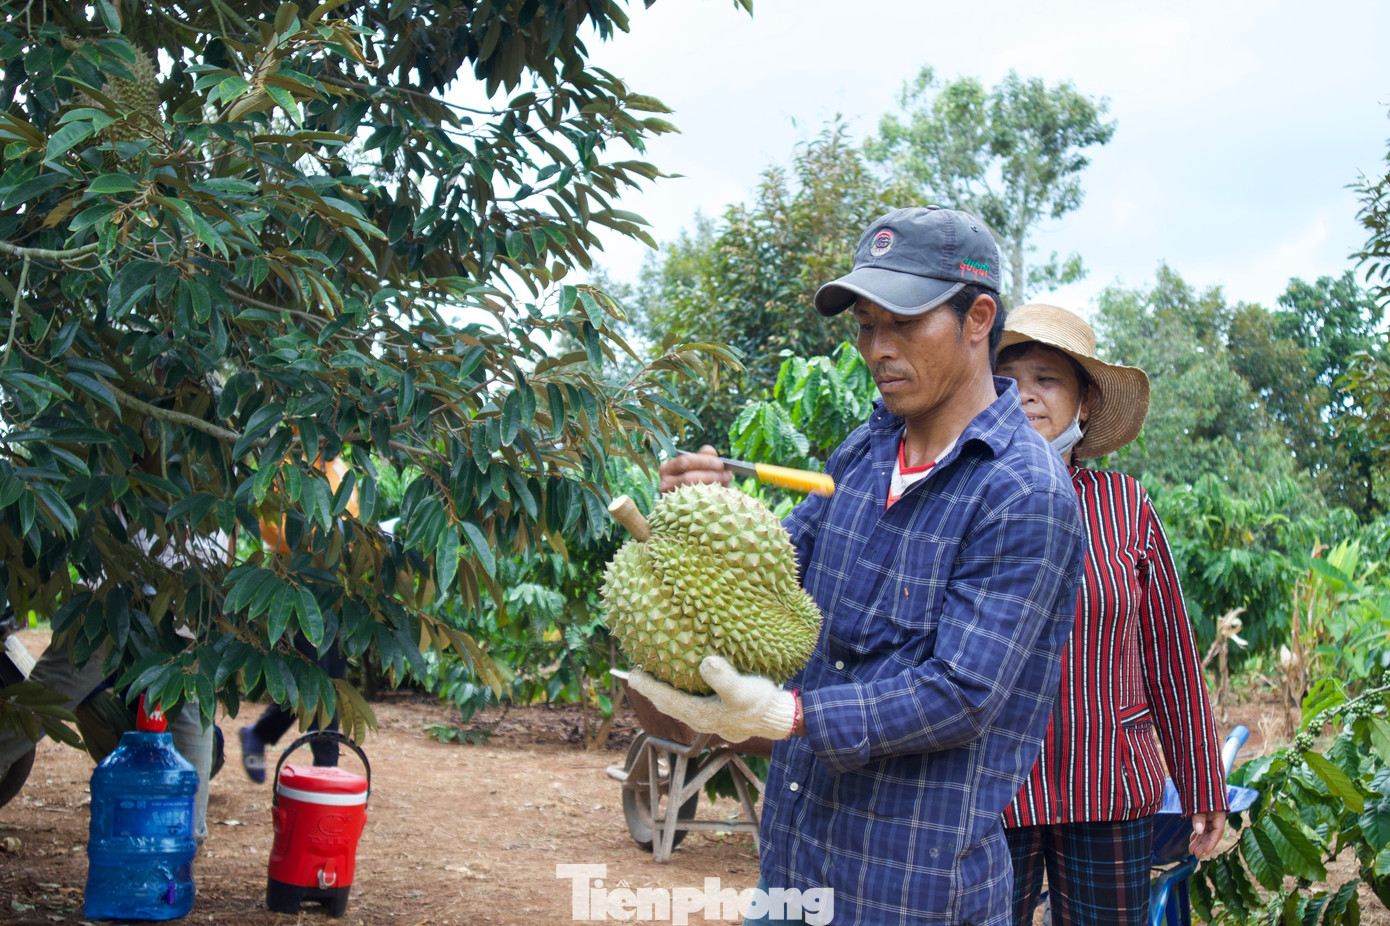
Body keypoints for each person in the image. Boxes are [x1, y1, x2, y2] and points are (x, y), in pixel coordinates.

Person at [631, 206, 1087, 925]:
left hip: (908, 894)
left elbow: (961, 692)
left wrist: (789, 713)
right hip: (793, 869)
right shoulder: (862, 452)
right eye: (868, 325)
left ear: (978, 320)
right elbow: (780, 579)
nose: (879, 348)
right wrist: (713, 522)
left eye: (904, 324)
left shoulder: (1023, 492)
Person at [994, 303, 1229, 926]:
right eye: (1007, 378)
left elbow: (1170, 651)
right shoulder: (966, 495)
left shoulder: (1123, 505)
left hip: (1108, 778)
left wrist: (1201, 781)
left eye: (1046, 378)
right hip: (990, 784)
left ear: (1086, 402)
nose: (1025, 396)